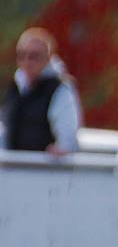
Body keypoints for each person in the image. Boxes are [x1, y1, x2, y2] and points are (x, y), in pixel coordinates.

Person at [2, 27, 81, 155]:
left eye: (34, 56)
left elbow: (68, 141)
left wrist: (60, 150)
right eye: (21, 55)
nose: (27, 61)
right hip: (14, 170)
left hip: (44, 171)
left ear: (48, 58)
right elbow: (6, 131)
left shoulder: (60, 90)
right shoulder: (15, 89)